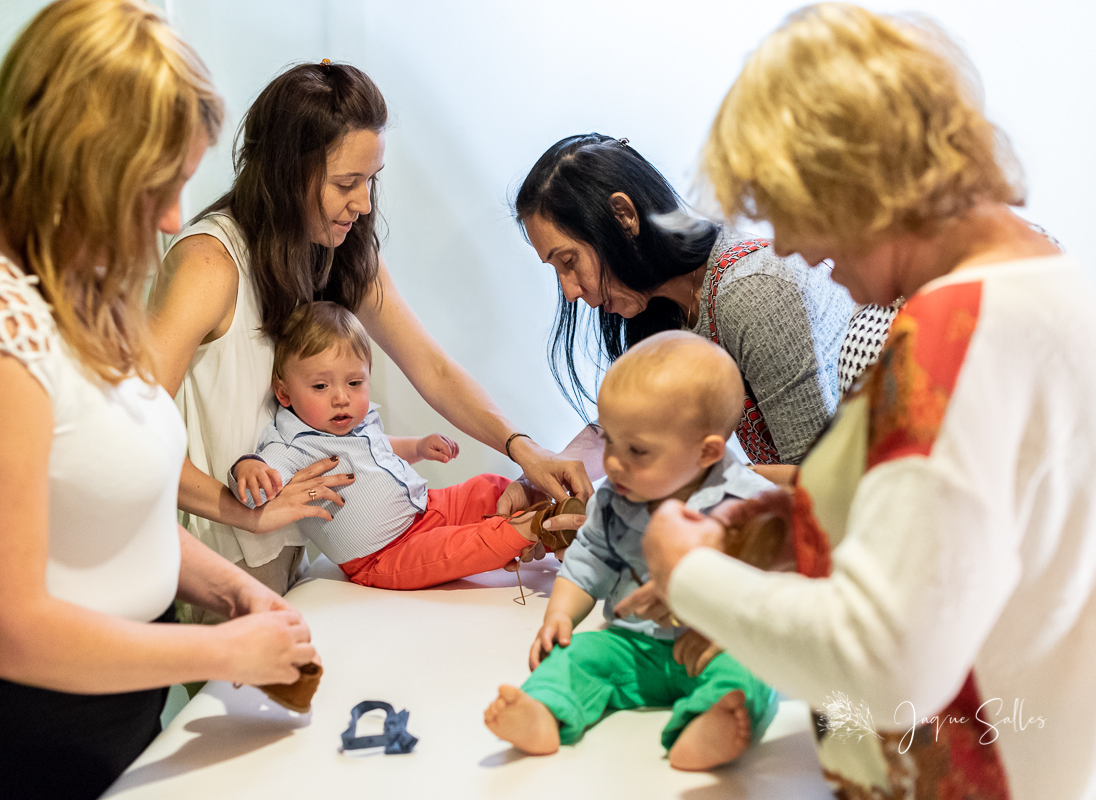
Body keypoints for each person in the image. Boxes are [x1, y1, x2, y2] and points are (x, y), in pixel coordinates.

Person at [629, 5, 1092, 798]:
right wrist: (803, 522)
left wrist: (691, 573)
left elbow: (888, 664)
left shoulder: (950, 338)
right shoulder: (1055, 289)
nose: (787, 246)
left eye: (785, 206)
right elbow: (978, 539)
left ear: (848, 176)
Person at [0, 3, 317, 797]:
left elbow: (95, 508)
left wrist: (223, 587)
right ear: (81, 160)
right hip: (21, 744)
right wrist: (225, 654)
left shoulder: (65, 286)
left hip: (118, 720)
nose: (169, 219)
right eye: (159, 186)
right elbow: (1, 628)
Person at [149, 62, 590, 605]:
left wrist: (523, 448)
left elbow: (432, 367)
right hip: (221, 554)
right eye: (345, 183)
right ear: (286, 172)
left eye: (370, 181)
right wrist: (243, 510)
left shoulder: (339, 249)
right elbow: (133, 434)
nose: (362, 203)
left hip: (297, 542)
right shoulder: (208, 264)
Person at [484, 331, 778, 770]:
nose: (616, 463)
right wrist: (559, 617)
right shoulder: (612, 498)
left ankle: (713, 721)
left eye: (637, 450)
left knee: (754, 673)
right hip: (632, 647)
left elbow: (773, 590)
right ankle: (545, 710)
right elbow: (586, 564)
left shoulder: (753, 503)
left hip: (715, 645)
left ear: (706, 452)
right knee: (579, 656)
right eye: (612, 443)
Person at [512, 133, 854, 471]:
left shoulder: (752, 290)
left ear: (623, 216)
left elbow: (817, 479)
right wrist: (546, 473)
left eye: (569, 262)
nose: (570, 291)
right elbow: (630, 425)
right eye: (556, 270)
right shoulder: (662, 308)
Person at [229, 301, 577, 590]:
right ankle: (536, 528)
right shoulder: (291, 442)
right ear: (285, 392)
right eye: (320, 386)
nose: (341, 398)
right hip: (384, 555)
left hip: (425, 509)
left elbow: (381, 448)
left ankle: (553, 520)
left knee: (490, 488)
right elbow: (259, 480)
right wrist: (247, 468)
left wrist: (418, 447)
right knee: (458, 549)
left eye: (354, 382)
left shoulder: (358, 422)